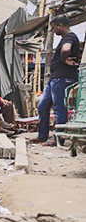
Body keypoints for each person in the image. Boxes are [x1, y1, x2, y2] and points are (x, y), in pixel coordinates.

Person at [36, 15, 81, 143]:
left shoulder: (70, 37)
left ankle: (59, 139)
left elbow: (66, 48)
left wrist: (64, 58)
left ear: (60, 25)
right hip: (56, 78)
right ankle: (42, 136)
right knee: (43, 106)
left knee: (59, 108)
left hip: (63, 77)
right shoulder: (67, 37)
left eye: (54, 27)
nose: (53, 31)